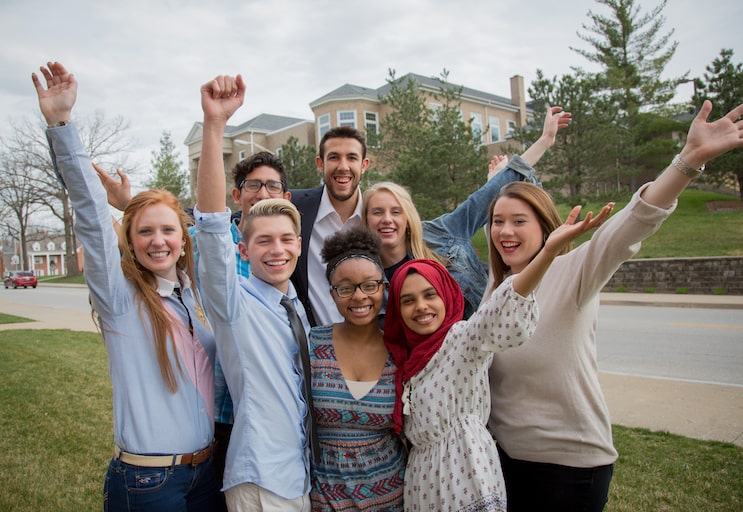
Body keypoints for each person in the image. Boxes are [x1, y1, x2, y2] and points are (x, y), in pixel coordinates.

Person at [485, 100, 743, 512]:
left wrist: (688, 160)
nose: (505, 231)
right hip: (503, 461)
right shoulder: (495, 288)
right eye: (498, 221)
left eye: (519, 221)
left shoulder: (573, 270)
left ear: (546, 228)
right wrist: (499, 178)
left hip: (569, 468)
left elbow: (633, 222)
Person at [32, 61, 224, 511]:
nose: (158, 241)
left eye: (167, 231)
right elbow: (91, 214)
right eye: (144, 232)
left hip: (206, 475)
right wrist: (62, 124)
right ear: (130, 242)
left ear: (183, 239)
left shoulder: (192, 296)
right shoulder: (120, 299)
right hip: (148, 483)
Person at [382, 193, 611, 511]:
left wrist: (546, 254)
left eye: (430, 295)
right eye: (407, 300)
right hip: (424, 484)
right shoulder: (406, 363)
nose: (421, 306)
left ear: (447, 296)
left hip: (466, 478)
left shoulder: (463, 340)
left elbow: (500, 310)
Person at [95, 149, 293, 491]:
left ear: (285, 197)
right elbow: (165, 239)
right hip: (219, 413)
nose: (263, 193)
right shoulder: (209, 244)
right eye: (253, 185)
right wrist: (131, 206)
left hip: (263, 411)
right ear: (236, 195)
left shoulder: (284, 251)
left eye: (272, 186)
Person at [193, 73, 313, 511]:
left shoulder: (293, 305)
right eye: (263, 241)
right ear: (242, 248)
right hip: (261, 481)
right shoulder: (234, 302)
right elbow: (209, 225)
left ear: (299, 244)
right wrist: (214, 127)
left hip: (298, 477)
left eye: (286, 239)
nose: (276, 250)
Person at [363, 106, 572, 319]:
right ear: (366, 221)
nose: (387, 219)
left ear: (408, 217)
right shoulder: (367, 276)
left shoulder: (441, 233)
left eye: (396, 211)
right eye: (377, 212)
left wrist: (545, 140)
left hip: (490, 332)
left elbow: (488, 195)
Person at [309, 226, 406, 511]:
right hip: (324, 498)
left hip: (392, 497)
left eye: (369, 285)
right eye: (346, 288)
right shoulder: (311, 344)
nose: (359, 296)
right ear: (332, 293)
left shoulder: (399, 351)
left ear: (383, 287)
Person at [290, 126, 370, 327]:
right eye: (334, 157)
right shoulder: (295, 206)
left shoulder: (377, 215)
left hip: (372, 347)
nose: (343, 166)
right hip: (312, 347)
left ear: (364, 165)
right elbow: (247, 215)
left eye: (352, 158)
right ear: (320, 163)